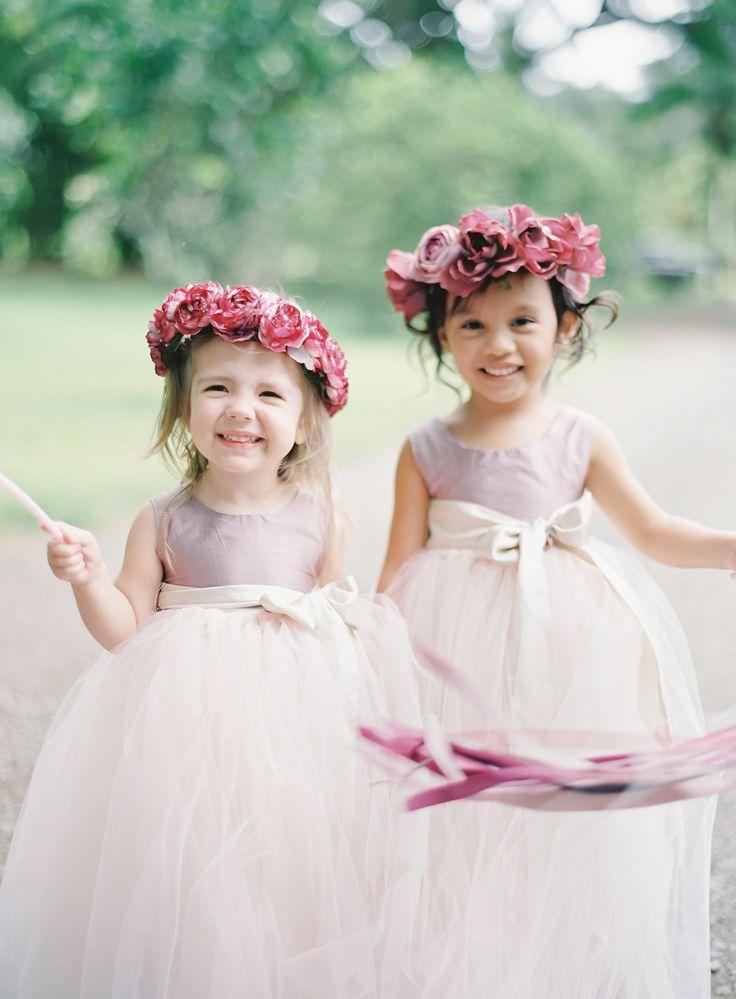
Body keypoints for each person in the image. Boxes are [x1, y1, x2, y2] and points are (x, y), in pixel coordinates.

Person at [0, 282, 427, 999]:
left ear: (305, 419)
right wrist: (87, 577)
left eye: (269, 394)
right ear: (183, 405)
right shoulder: (163, 519)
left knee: (288, 857)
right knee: (192, 862)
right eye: (218, 387)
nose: (240, 409)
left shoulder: (322, 519)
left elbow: (334, 619)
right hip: (184, 723)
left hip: (295, 723)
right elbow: (122, 630)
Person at [377, 205, 736, 998]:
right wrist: (373, 663)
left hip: (573, 645)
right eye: (471, 324)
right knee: (470, 816)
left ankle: (568, 962)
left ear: (566, 328)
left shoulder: (580, 434)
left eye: (522, 322)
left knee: (568, 810)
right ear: (441, 333)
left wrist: (727, 549)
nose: (498, 345)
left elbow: (651, 529)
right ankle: (473, 965)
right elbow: (396, 574)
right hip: (457, 653)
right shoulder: (425, 447)